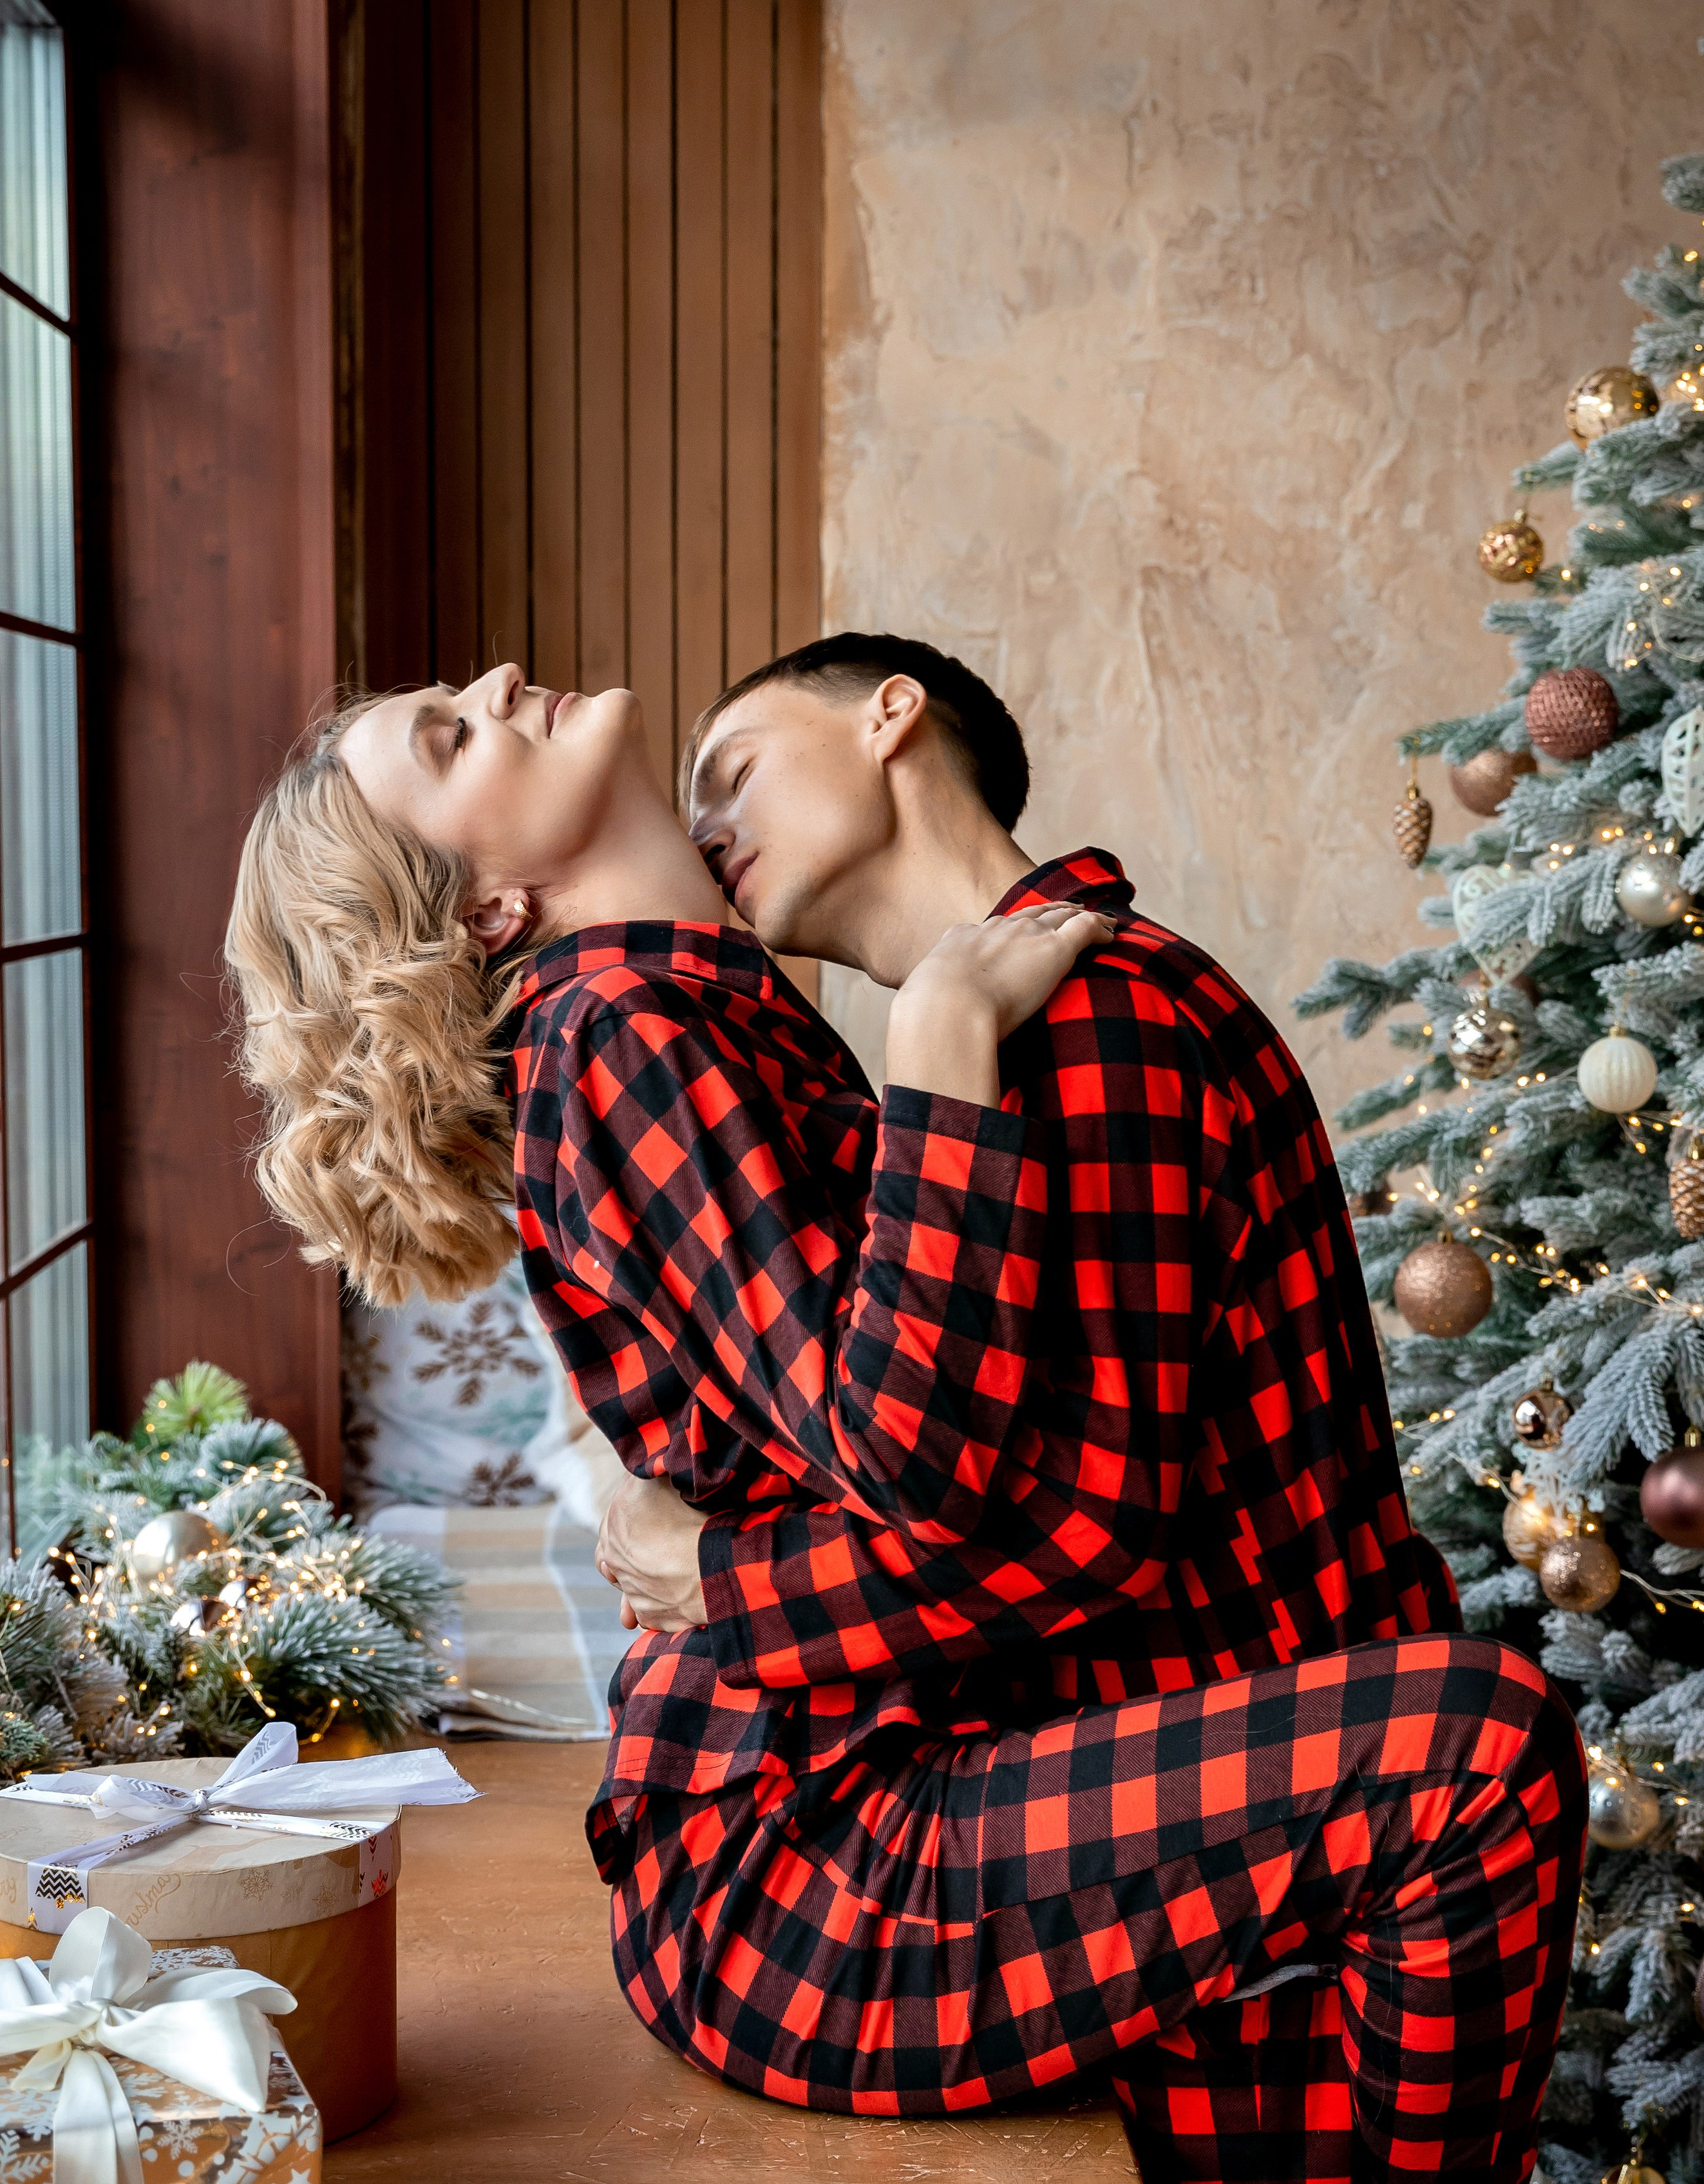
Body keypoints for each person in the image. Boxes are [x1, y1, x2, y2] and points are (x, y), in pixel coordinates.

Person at [225, 659, 1584, 2182]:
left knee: (1289, 2053)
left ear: (888, 726)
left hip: (869, 1798)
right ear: (487, 914)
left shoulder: (719, 1021)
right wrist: (936, 1049)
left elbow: (970, 1471)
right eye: (447, 735)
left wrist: (722, 1576)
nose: (495, 683)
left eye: (737, 770)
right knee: (1472, 1756)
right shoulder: (629, 1028)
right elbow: (915, 1457)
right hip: (819, 1865)